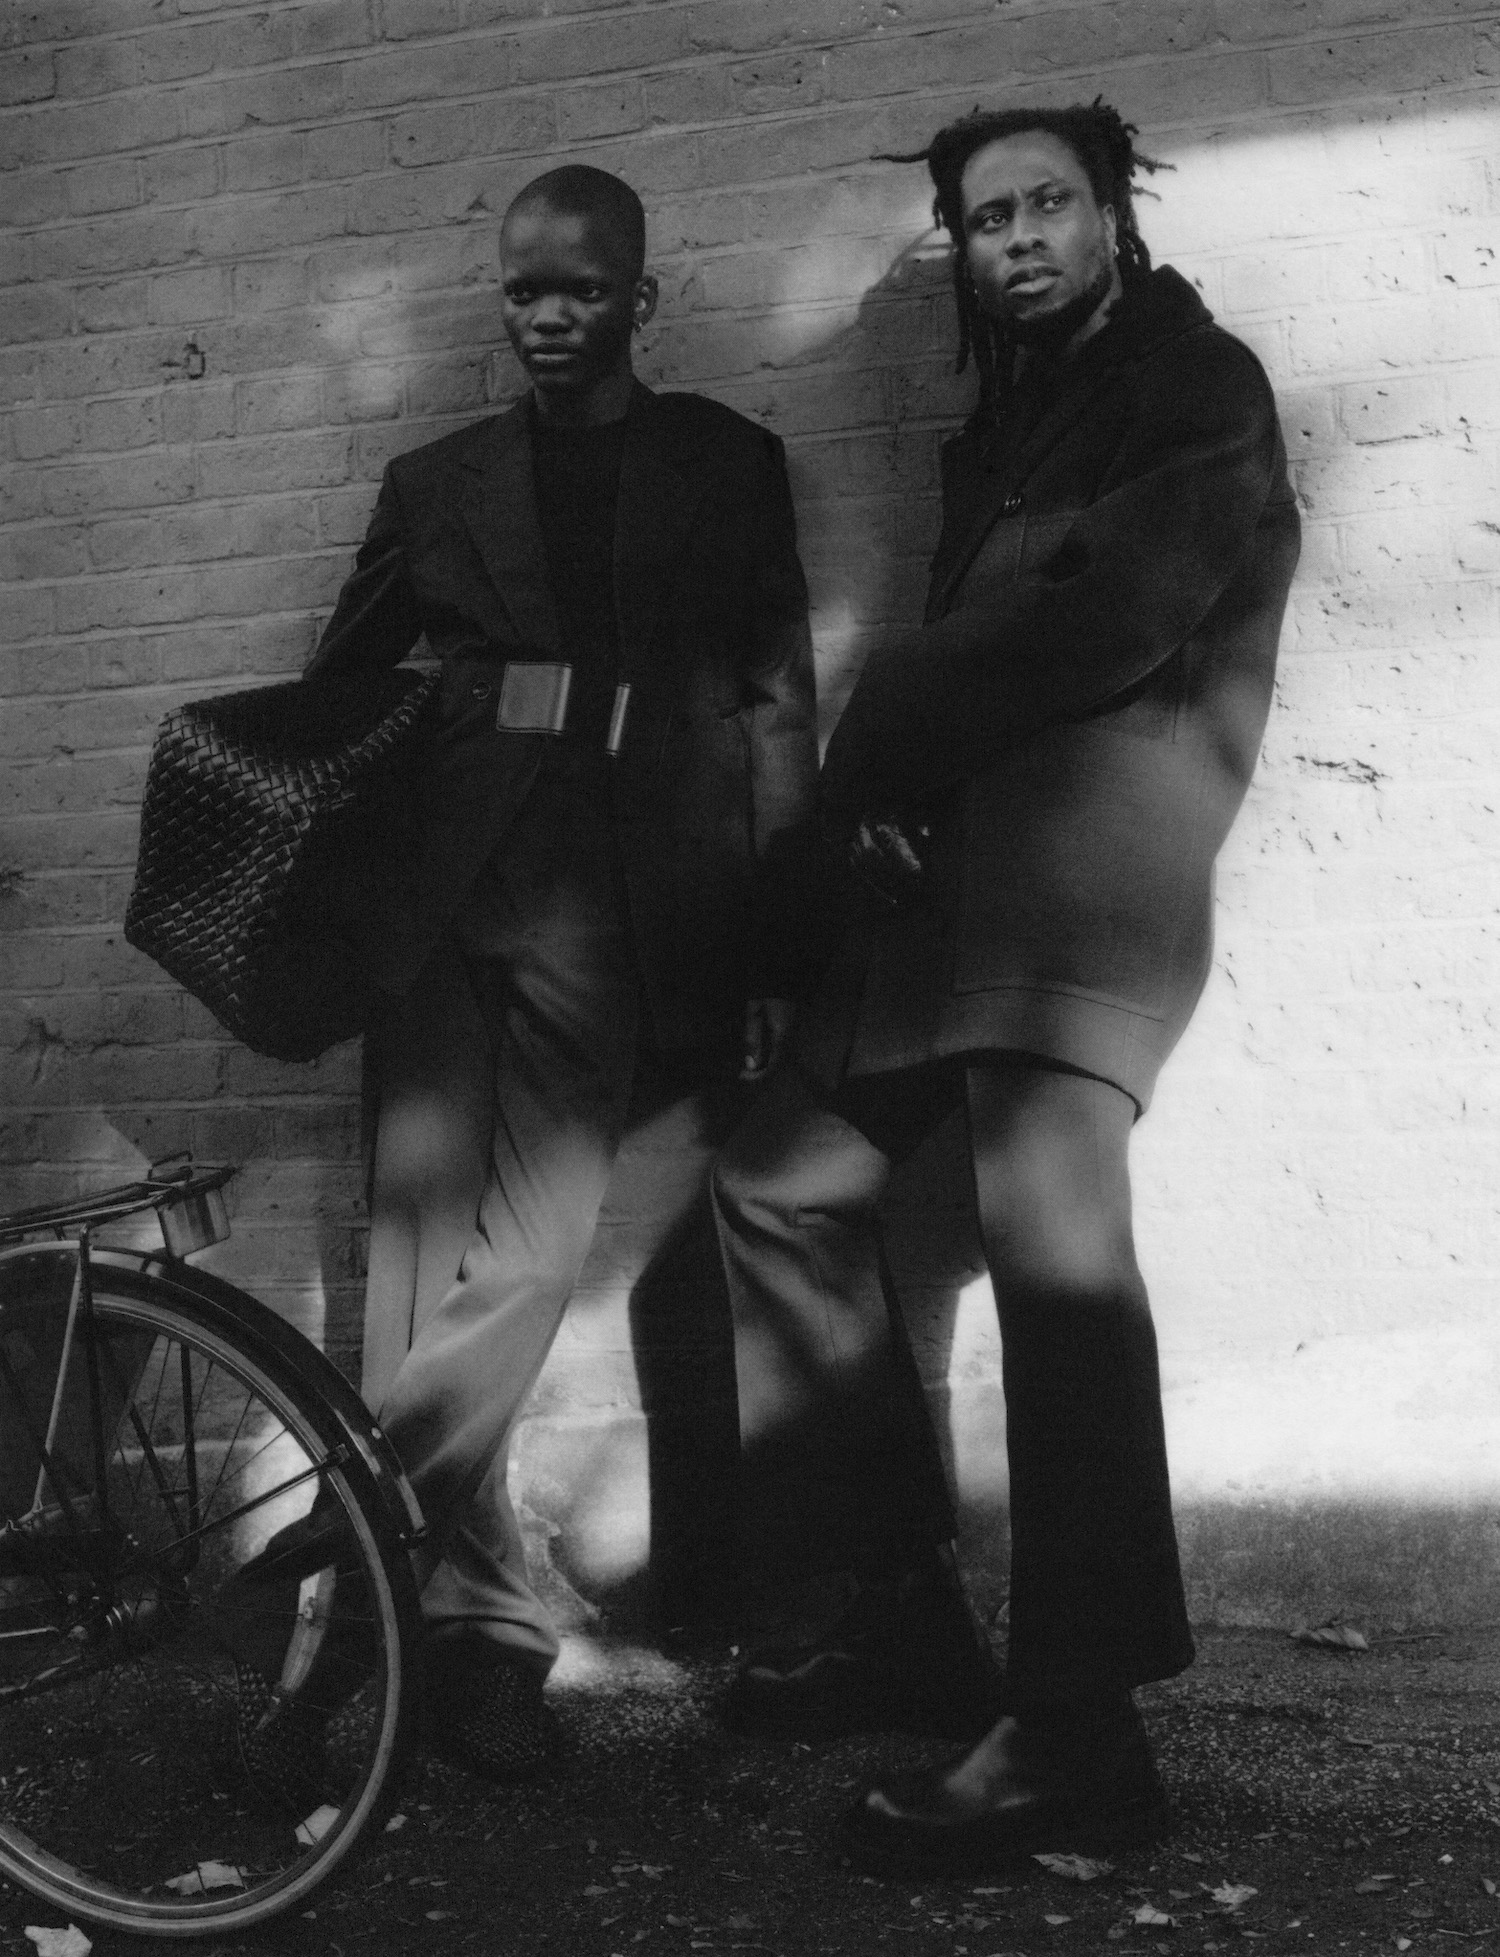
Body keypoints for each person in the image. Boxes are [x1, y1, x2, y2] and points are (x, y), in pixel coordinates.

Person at [711, 101, 1300, 1869]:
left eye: (1049, 203)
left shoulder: (1200, 387)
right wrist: (886, 808)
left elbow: (1097, 619)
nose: (1020, 238)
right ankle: (902, 1616)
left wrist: (873, 745)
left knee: (1056, 1275)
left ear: (1113, 211)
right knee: (776, 1179)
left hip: (1088, 893)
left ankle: (1079, 1736)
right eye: (987, 219)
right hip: (964, 897)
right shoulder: (1017, 420)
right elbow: (998, 636)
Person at [229, 164, 819, 1792]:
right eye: (522, 292)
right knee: (418, 1275)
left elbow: (775, 707)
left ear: (641, 296)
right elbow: (341, 700)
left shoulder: (724, 464)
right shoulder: (438, 481)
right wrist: (478, 719)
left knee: (530, 1256)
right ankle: (472, 1651)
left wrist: (774, 944)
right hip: (442, 912)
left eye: (580, 289)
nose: (548, 317)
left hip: (616, 914)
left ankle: (337, 1582)